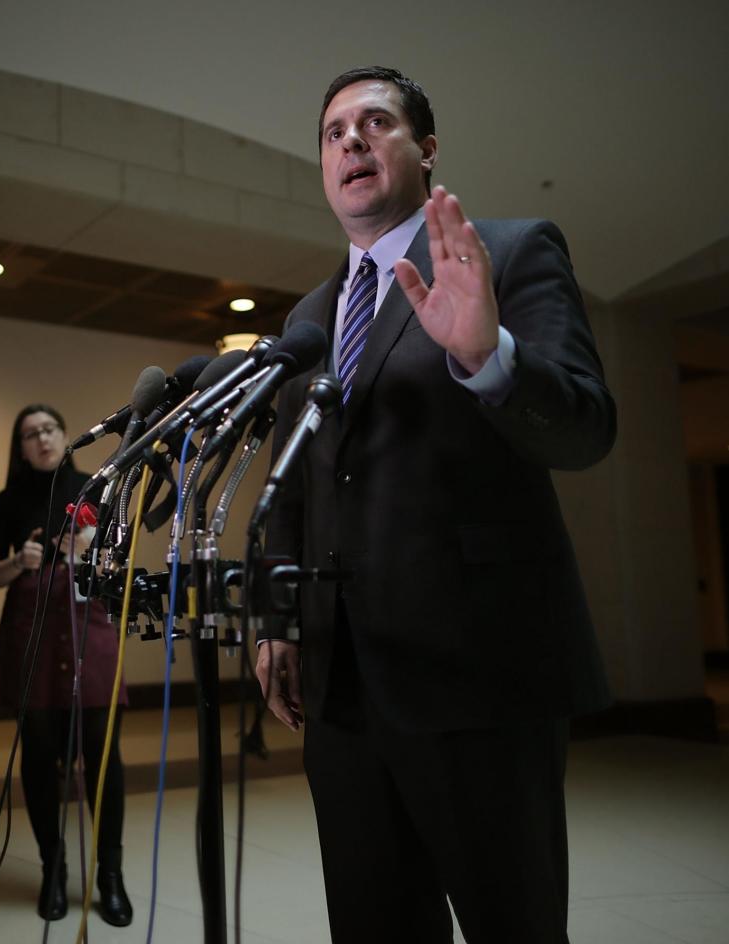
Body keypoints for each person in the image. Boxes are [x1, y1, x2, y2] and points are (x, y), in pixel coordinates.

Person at [254, 67, 615, 944]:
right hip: (341, 692)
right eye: (332, 131)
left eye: (374, 122)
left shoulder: (509, 251)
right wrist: (276, 618)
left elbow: (583, 430)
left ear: (425, 147)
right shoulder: (311, 315)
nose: (349, 140)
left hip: (478, 680)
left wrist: (488, 356)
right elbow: (291, 485)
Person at [0, 405, 132, 926]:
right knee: (40, 749)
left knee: (102, 747)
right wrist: (17, 562)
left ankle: (110, 873)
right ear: (20, 446)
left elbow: (119, 559)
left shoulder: (95, 485)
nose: (41, 439)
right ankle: (53, 867)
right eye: (29, 433)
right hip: (32, 623)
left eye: (48, 429)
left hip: (90, 617)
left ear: (65, 434)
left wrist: (90, 549)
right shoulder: (8, 500)